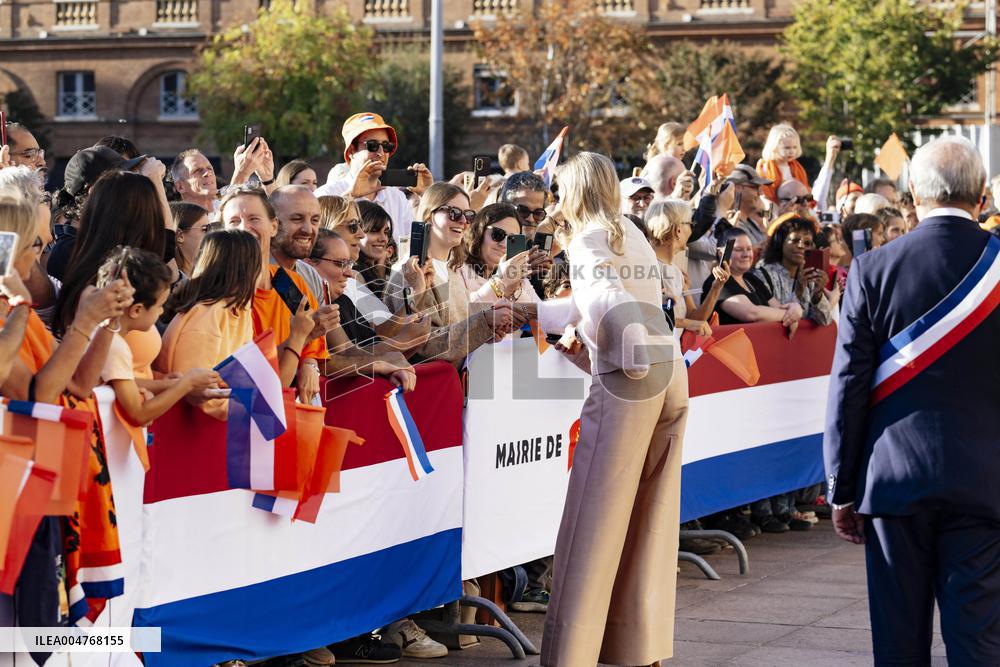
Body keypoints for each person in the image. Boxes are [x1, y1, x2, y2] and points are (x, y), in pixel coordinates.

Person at [824, 135, 1000, 665]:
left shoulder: (873, 269)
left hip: (894, 481)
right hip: (986, 482)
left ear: (913, 197)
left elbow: (849, 386)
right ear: (983, 195)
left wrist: (841, 486)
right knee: (980, 645)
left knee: (898, 647)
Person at [532, 152, 684, 667]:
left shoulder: (586, 238)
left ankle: (570, 657)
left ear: (572, 191)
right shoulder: (630, 232)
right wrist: (527, 311)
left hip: (630, 381)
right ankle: (635, 651)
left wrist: (628, 352)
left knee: (589, 530)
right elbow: (589, 305)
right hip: (669, 376)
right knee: (649, 524)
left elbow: (604, 297)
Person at [220, 186, 335, 404]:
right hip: (253, 412)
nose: (245, 227)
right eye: (234, 221)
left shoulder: (288, 281)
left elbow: (311, 341)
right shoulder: (224, 294)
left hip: (294, 409)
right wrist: (300, 338)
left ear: (274, 226)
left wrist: (310, 363)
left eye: (254, 218)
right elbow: (259, 380)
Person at [98, 247, 223, 425]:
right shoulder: (114, 346)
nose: (162, 311)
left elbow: (126, 383)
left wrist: (164, 382)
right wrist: (186, 384)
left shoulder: (112, 340)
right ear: (137, 310)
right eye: (159, 305)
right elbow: (138, 414)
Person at [157, 229, 259, 419]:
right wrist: (251, 410)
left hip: (218, 424)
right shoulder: (206, 314)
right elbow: (198, 391)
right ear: (244, 270)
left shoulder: (240, 310)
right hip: (187, 425)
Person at [314, 112, 432, 248]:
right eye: (372, 145)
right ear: (351, 151)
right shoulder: (326, 194)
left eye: (387, 146)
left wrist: (427, 196)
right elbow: (317, 242)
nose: (381, 153)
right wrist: (350, 196)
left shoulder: (397, 198)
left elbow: (416, 247)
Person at [48, 146, 162, 282]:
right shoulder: (70, 252)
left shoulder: (105, 239)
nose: (129, 190)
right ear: (96, 191)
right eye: (121, 182)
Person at [645, 199, 729, 335]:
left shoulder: (677, 272)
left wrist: (717, 286)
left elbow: (695, 318)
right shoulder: (646, 269)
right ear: (678, 230)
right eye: (691, 224)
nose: (692, 230)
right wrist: (685, 323)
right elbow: (645, 319)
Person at [702, 228, 803, 333]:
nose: (746, 254)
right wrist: (793, 314)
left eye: (749, 249)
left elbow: (779, 308)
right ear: (720, 253)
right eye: (739, 249)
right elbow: (751, 314)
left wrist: (795, 307)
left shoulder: (751, 279)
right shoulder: (718, 281)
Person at [756, 216, 838, 327]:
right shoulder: (762, 275)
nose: (801, 246)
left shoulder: (810, 275)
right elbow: (783, 320)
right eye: (795, 240)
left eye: (807, 243)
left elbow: (825, 321)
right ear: (780, 242)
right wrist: (798, 291)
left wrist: (817, 294)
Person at [452, 202, 537, 306]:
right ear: (479, 231)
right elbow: (460, 314)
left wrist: (514, 290)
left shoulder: (516, 275)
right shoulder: (457, 267)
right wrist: (499, 282)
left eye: (511, 239)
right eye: (497, 234)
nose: (503, 244)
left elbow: (540, 314)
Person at [756, 126, 839, 208]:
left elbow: (805, 192)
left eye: (794, 147)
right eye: (787, 148)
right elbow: (765, 196)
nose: (792, 151)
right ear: (774, 147)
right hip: (776, 210)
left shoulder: (797, 168)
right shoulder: (766, 168)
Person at [269, 185, 327, 301]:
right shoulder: (251, 273)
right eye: (297, 219)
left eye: (314, 220)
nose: (308, 230)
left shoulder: (310, 275)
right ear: (273, 224)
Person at [354, 199, 393, 301]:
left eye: (385, 232)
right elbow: (380, 316)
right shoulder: (354, 276)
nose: (383, 238)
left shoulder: (382, 271)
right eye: (374, 231)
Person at [170, 201, 212, 277]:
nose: (211, 234)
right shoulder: (168, 282)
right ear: (180, 235)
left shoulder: (209, 275)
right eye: (205, 229)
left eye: (210, 228)